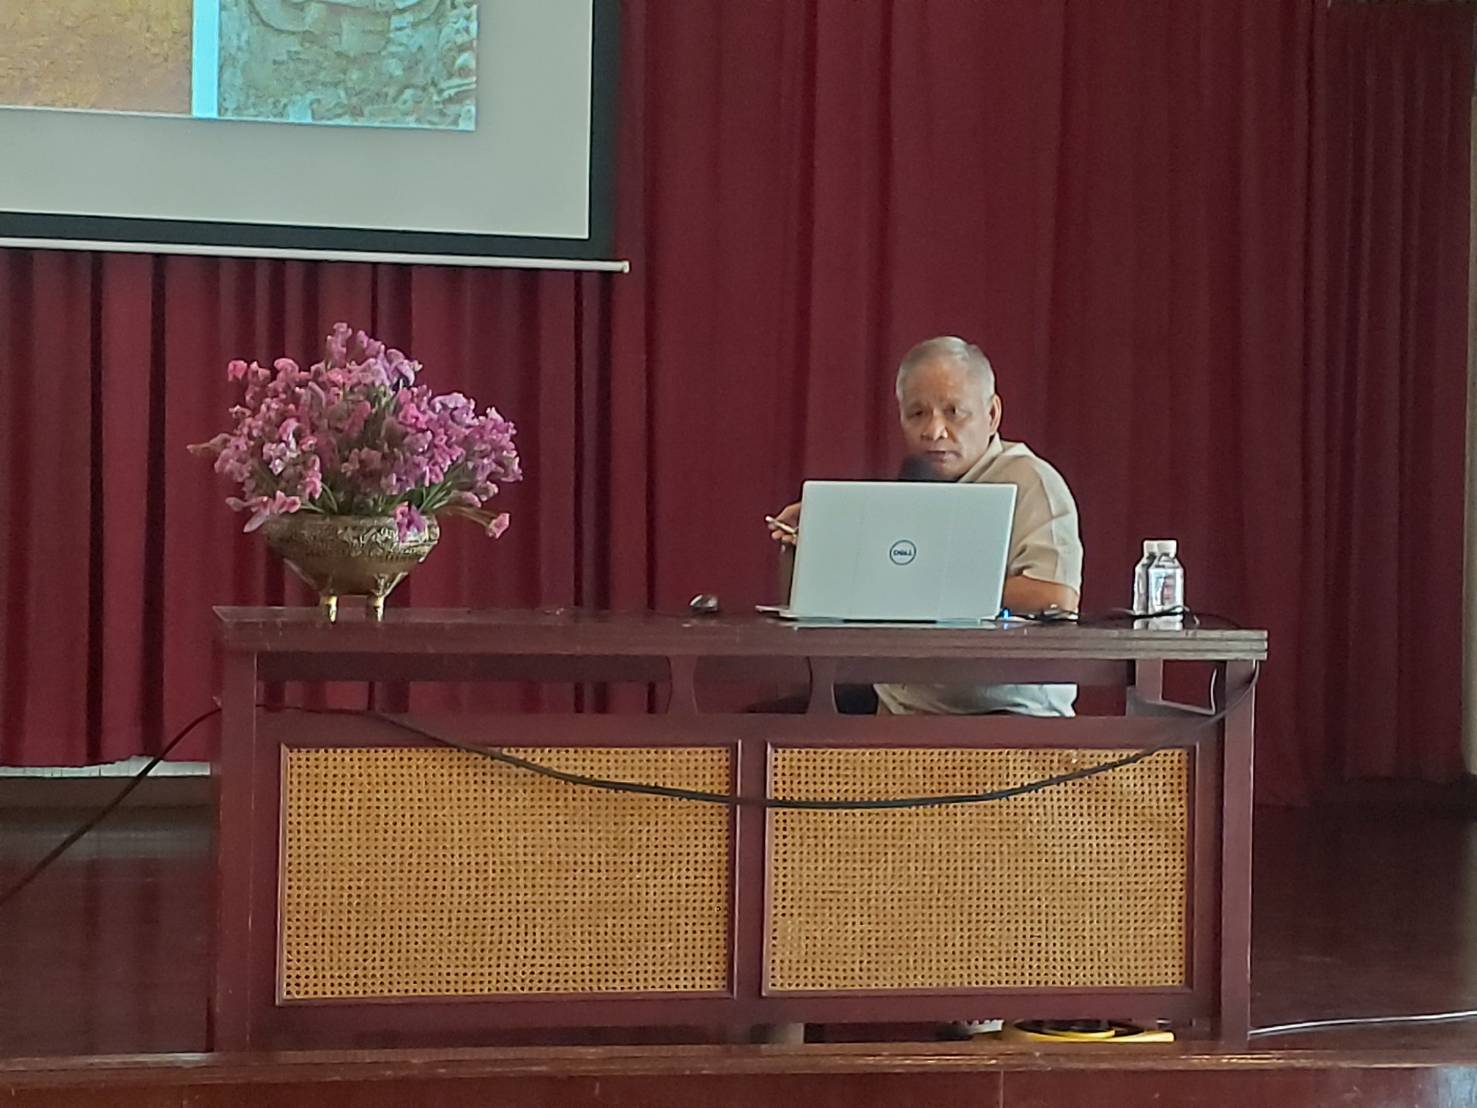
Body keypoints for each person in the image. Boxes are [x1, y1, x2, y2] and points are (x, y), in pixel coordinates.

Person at [767, 335, 1083, 717]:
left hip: (1004, 715)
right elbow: (813, 610)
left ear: (992, 414)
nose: (934, 431)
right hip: (900, 704)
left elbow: (1056, 597)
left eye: (954, 412)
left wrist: (935, 584)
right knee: (763, 730)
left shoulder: (1031, 482)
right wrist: (815, 539)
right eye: (917, 414)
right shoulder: (912, 488)